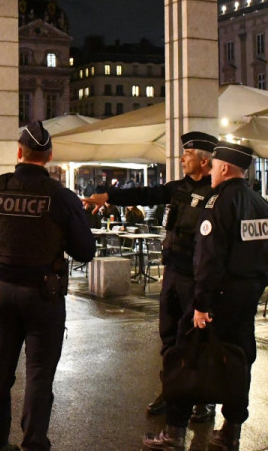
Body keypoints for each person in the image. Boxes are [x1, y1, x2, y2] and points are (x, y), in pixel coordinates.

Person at [0, 120, 95, 451]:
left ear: (19, 152)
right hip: (44, 295)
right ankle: (33, 443)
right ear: (49, 156)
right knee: (39, 375)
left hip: (3, 292)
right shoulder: (61, 197)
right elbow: (85, 251)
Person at [143, 142, 268, 451]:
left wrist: (201, 304)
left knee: (186, 355)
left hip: (216, 298)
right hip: (246, 299)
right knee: (239, 360)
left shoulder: (217, 204)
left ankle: (174, 432)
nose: (212, 170)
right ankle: (230, 432)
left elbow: (208, 259)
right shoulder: (261, 205)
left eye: (215, 165)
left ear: (226, 169)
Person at [83, 131, 219, 422]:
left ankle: (204, 399)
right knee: (168, 336)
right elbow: (145, 194)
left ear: (204, 160)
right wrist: (109, 195)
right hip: (172, 274)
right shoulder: (177, 188)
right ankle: (170, 390)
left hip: (196, 278)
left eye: (189, 154)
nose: (182, 158)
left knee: (199, 339)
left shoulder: (216, 193)